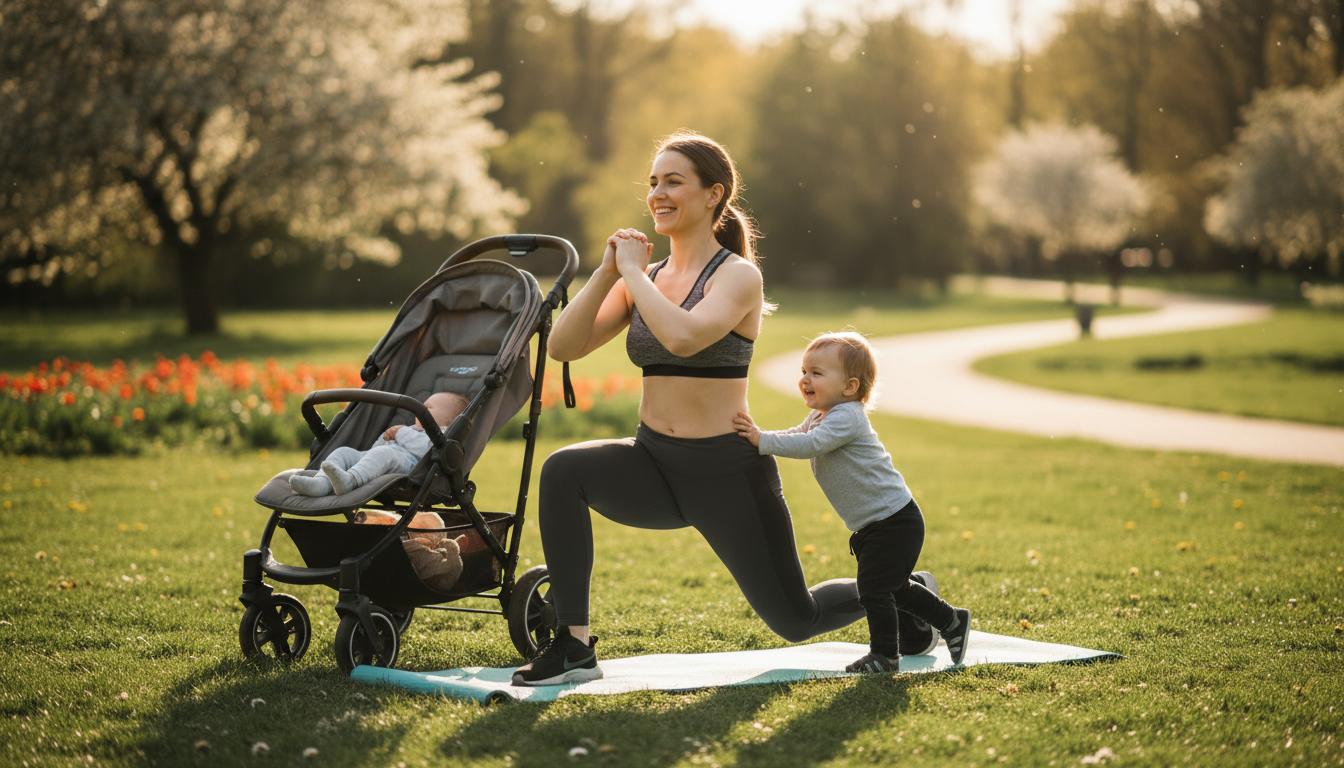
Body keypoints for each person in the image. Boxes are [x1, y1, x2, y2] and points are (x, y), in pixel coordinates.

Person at [512, 133, 871, 687]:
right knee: (565, 471)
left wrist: (632, 275)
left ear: (713, 195)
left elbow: (684, 339)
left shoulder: (736, 276)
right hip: (652, 462)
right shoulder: (646, 279)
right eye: (654, 182)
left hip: (726, 473)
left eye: (674, 181)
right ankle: (575, 645)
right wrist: (609, 271)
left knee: (796, 620)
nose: (658, 192)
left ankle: (906, 590)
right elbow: (562, 347)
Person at [733, 332, 972, 672]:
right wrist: (758, 437)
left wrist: (762, 441)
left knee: (874, 591)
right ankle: (951, 621)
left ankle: (885, 655)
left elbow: (811, 445)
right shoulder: (822, 415)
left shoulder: (847, 416)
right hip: (875, 524)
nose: (805, 379)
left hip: (893, 521)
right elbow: (798, 436)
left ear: (849, 387)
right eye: (804, 370)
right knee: (892, 588)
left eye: (816, 373)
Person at [288, 391, 468, 497]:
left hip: (410, 469)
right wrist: (386, 437)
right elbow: (377, 450)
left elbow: (425, 449)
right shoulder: (411, 429)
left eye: (428, 407)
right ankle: (321, 484)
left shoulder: (443, 435)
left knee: (384, 454)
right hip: (379, 460)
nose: (422, 408)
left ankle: (350, 481)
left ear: (449, 421)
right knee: (343, 452)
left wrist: (400, 432)